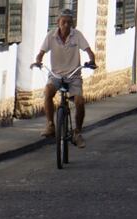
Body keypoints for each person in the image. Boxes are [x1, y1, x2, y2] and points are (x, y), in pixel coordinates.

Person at [31, 11, 96, 146]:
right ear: (58, 23)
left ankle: (77, 132)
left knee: (79, 101)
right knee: (48, 92)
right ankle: (50, 125)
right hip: (56, 75)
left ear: (72, 24)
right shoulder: (51, 36)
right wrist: (38, 61)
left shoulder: (77, 35)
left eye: (69, 22)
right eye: (63, 22)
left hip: (73, 76)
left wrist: (91, 61)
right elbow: (41, 53)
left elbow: (89, 51)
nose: (66, 25)